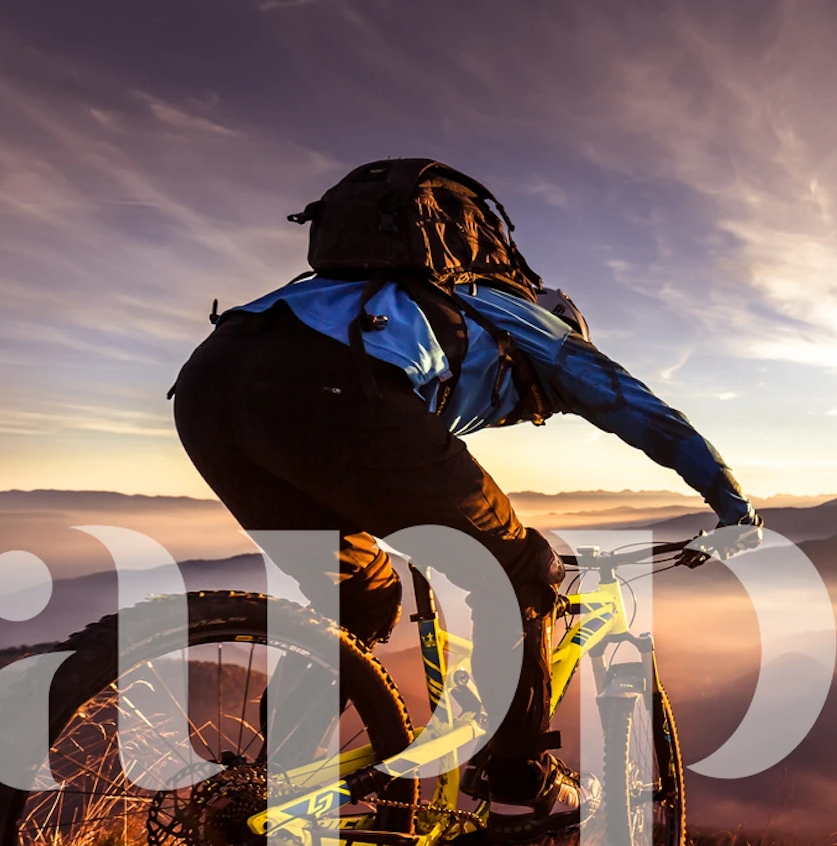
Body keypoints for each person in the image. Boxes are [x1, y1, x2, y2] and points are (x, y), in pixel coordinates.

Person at [169, 158, 760, 811]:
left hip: (208, 388)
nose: (534, 413)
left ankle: (261, 792)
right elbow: (644, 412)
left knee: (360, 599)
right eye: (544, 405)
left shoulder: (389, 302)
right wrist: (733, 507)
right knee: (519, 569)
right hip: (334, 386)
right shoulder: (532, 324)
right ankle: (519, 774)